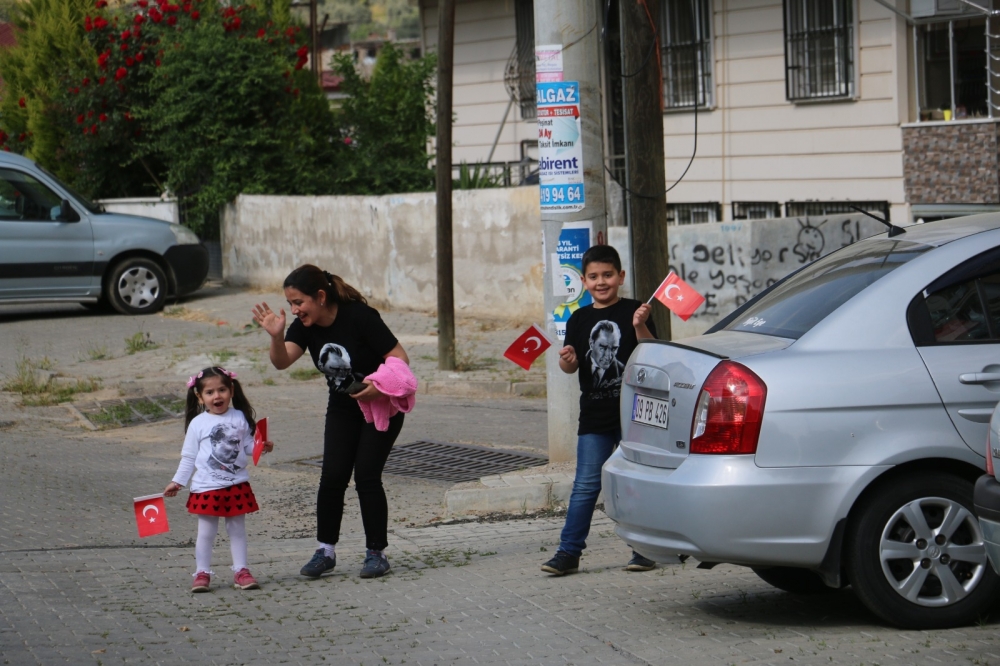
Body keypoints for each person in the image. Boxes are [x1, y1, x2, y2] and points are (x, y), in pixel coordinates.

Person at [251, 265, 412, 580]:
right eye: (291, 303)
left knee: (366, 476)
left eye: (299, 302)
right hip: (343, 407)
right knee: (333, 476)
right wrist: (276, 336)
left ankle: (376, 554)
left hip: (382, 406)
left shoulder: (360, 317)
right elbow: (282, 361)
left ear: (320, 296)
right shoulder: (304, 326)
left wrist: (378, 387)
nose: (295, 310)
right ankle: (325, 551)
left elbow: (400, 358)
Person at [542, 245, 656, 576]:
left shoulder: (638, 310)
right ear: (583, 280)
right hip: (594, 415)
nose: (601, 282)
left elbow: (653, 352)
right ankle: (568, 553)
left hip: (635, 414)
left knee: (635, 483)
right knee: (585, 485)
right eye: (593, 276)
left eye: (607, 275)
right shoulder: (578, 318)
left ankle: (644, 550)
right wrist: (569, 362)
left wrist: (639, 326)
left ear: (620, 276)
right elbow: (570, 367)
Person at [164, 366, 274, 593]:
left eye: (222, 390)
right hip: (206, 488)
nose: (217, 396)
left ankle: (241, 571)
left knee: (237, 530)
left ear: (231, 390)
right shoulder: (197, 424)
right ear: (200, 397)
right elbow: (189, 457)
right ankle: (202, 573)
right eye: (210, 392)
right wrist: (178, 481)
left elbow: (247, 448)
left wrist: (261, 447)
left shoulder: (240, 417)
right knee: (206, 532)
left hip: (236, 485)